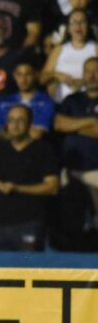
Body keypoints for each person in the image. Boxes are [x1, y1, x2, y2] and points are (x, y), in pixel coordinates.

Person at [0, 104, 59, 251]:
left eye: (21, 120)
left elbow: (52, 187)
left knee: (28, 270)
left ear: (30, 123)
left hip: (29, 222)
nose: (15, 125)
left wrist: (18, 188)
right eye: (11, 120)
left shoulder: (42, 149)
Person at [54, 56, 98, 244]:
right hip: (71, 169)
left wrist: (74, 125)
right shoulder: (73, 99)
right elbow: (59, 124)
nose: (92, 75)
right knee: (71, 217)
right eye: (88, 71)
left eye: (96, 71)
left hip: (96, 170)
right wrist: (90, 121)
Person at [41, 8, 97, 103]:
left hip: (90, 102)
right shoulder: (59, 49)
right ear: (68, 27)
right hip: (62, 103)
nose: (78, 26)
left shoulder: (95, 48)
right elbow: (42, 78)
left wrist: (84, 81)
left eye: (82, 22)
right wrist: (57, 75)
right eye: (74, 22)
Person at [0, 61, 55, 140]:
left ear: (36, 75)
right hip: (5, 149)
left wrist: (5, 133)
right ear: (14, 76)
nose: (23, 79)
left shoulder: (46, 102)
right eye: (19, 74)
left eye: (28, 74)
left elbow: (36, 134)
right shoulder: (3, 102)